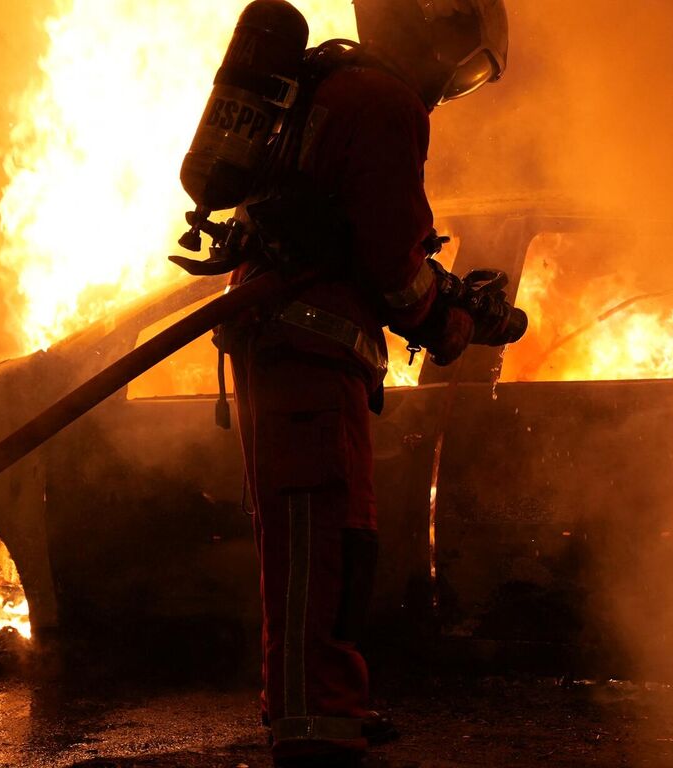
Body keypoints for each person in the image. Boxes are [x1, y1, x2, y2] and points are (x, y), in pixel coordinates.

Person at [217, 1, 509, 765]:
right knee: (322, 553)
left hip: (294, 359)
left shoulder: (334, 88)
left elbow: (360, 236)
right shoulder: (383, 104)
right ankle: (316, 733)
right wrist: (449, 323)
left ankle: (317, 709)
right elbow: (391, 264)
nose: (455, 80)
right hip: (310, 368)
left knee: (319, 549)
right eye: (466, 61)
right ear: (432, 25)